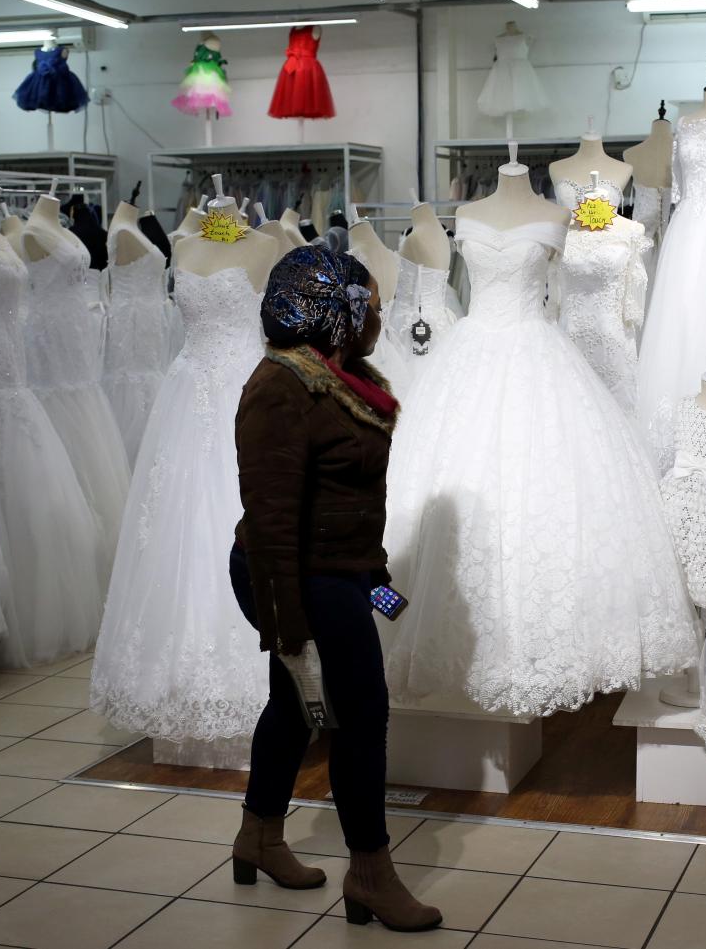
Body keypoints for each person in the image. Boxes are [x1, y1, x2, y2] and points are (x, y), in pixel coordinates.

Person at [229, 246, 442, 933]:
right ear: (337, 311)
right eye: (370, 306)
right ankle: (371, 874)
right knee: (361, 713)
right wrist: (289, 631)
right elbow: (272, 520)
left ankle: (257, 837)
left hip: (340, 573)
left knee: (294, 710)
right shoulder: (280, 385)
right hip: (291, 572)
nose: (379, 316)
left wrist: (383, 593)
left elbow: (355, 506)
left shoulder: (345, 377)